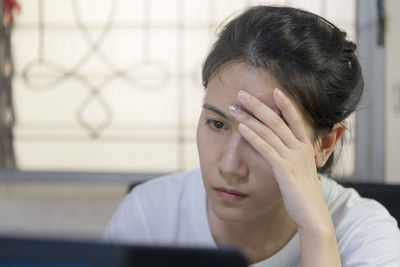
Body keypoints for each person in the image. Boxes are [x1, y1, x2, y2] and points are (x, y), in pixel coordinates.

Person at [102, 5, 400, 266]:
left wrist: (316, 230)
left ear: (324, 144)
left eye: (264, 136)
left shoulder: (364, 233)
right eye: (217, 124)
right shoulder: (151, 213)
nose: (230, 166)